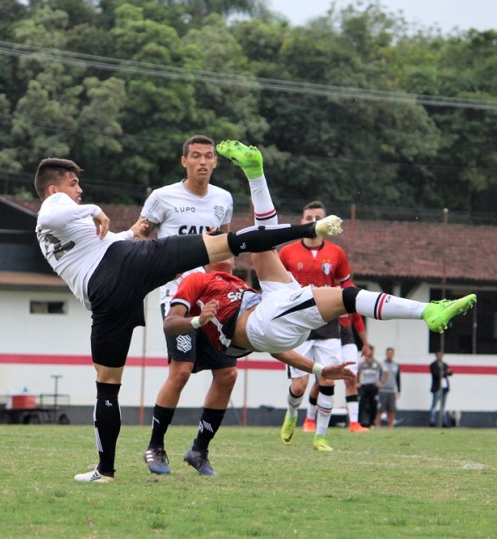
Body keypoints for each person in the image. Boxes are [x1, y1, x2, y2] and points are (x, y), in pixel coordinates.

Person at [34, 155, 349, 483]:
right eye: (74, 184)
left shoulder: (60, 224)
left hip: (106, 296)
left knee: (107, 386)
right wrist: (94, 209)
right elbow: (57, 212)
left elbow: (96, 243)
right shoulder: (55, 206)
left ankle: (105, 470)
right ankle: (309, 229)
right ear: (54, 188)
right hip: (126, 265)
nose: (80, 190)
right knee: (229, 243)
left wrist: (130, 232)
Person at [210, 141, 476, 448]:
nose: (227, 261)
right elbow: (265, 342)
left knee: (262, 246)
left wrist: (344, 349)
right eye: (309, 219)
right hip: (276, 319)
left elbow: (268, 343)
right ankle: (427, 311)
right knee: (342, 300)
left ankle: (255, 173)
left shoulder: (334, 253)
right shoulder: (206, 283)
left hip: (278, 313)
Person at [137, 134, 236, 477]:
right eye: (196, 156)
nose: (203, 162)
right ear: (184, 161)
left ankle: (199, 450)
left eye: (209, 156)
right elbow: (139, 238)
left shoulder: (223, 199)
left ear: (215, 162)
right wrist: (155, 264)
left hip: (211, 299)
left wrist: (228, 282)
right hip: (177, 298)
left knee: (227, 373)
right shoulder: (162, 197)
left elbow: (223, 250)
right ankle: (155, 447)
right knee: (180, 371)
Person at [276, 199, 353, 451]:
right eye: (309, 218)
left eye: (318, 217)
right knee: (299, 385)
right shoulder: (286, 252)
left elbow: (346, 285)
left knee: (328, 380)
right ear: (302, 221)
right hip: (297, 324)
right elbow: (276, 286)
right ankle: (291, 414)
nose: (313, 222)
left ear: (326, 222)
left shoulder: (337, 253)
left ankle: (320, 437)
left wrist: (350, 307)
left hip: (328, 324)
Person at [338, 309, 370, 432]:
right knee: (323, 381)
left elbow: (357, 318)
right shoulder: (320, 289)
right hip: (326, 340)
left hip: (347, 341)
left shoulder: (348, 289)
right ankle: (311, 419)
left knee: (351, 379)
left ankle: (354, 422)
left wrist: (365, 343)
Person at [357, 345, 386, 427]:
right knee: (361, 404)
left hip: (373, 386)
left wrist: (381, 382)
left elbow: (385, 373)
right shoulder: (362, 363)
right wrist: (357, 383)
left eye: (372, 351)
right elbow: (357, 373)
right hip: (363, 386)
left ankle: (372, 423)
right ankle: (359, 422)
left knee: (373, 404)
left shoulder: (377, 363)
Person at [376, 346, 401, 428]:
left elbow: (398, 379)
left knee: (391, 410)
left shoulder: (396, 365)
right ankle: (377, 425)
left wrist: (399, 391)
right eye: (388, 353)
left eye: (391, 353)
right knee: (380, 409)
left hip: (392, 390)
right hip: (383, 390)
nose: (390, 355)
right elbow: (378, 376)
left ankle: (391, 426)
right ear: (386, 354)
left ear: (393, 354)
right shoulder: (382, 364)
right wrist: (379, 384)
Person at [429, 351, 452, 427]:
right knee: (434, 405)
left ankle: (444, 422)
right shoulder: (433, 365)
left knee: (443, 406)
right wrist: (445, 372)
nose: (440, 357)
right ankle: (432, 421)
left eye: (441, 355)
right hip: (437, 387)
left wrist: (443, 372)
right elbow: (437, 374)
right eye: (439, 355)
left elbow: (450, 372)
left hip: (444, 387)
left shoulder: (444, 364)